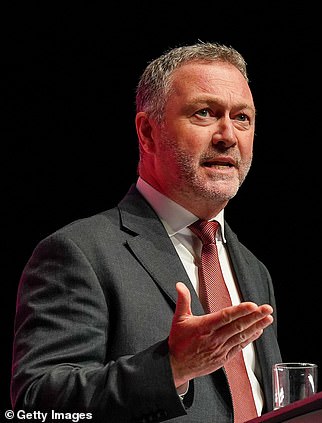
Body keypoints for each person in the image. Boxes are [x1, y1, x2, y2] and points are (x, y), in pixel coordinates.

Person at [11, 41, 282, 423]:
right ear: (147, 132)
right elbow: (37, 406)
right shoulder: (80, 252)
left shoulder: (254, 270)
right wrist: (171, 368)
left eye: (242, 118)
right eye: (205, 113)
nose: (228, 136)